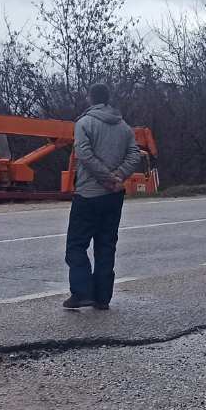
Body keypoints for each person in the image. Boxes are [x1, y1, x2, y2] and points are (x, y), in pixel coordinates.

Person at [63, 82, 143, 310]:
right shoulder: (124, 127)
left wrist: (105, 176)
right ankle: (102, 297)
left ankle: (81, 292)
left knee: (76, 246)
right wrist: (118, 176)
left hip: (88, 195)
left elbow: (84, 155)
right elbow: (134, 154)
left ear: (90, 99)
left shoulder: (84, 123)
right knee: (106, 245)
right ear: (108, 99)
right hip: (114, 195)